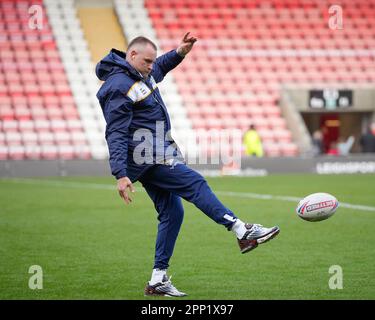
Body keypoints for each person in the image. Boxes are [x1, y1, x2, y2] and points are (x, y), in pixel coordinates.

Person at [95, 33, 280, 297]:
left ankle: (158, 280)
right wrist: (120, 174)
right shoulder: (118, 86)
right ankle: (242, 230)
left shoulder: (140, 73)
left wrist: (179, 52)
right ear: (132, 55)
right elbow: (115, 131)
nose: (151, 65)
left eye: (152, 61)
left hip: (154, 151)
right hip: (146, 154)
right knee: (194, 183)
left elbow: (159, 68)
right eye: (147, 60)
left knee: (173, 213)